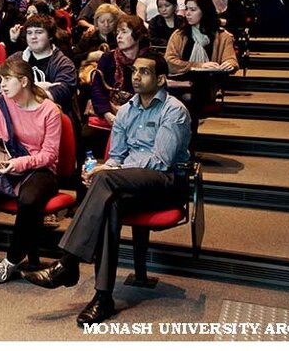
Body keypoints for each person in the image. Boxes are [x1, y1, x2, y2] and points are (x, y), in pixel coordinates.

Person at [23, 52, 191, 327]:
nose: (136, 76)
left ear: (161, 79)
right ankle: (103, 297)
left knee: (106, 180)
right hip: (128, 184)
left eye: (144, 72)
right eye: (134, 71)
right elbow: (116, 156)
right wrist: (106, 169)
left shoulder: (174, 111)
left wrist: (111, 172)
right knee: (109, 203)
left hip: (167, 183)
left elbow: (161, 161)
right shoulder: (126, 110)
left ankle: (67, 263)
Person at [0, 58, 61, 284]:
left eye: (7, 79)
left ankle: (12, 261)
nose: (1, 84)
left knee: (29, 201)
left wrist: (20, 163)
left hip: (40, 169)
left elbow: (49, 155)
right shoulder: (1, 103)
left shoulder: (49, 110)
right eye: (1, 79)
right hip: (8, 163)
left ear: (23, 81)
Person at [3, 15, 77, 121]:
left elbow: (61, 92)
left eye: (39, 32)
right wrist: (39, 87)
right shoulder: (16, 59)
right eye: (29, 33)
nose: (33, 37)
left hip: (53, 118)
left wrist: (18, 89)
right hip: (17, 117)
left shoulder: (64, 63)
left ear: (50, 36)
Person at [91, 15, 150, 128]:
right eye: (117, 33)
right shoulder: (108, 58)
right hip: (111, 111)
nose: (119, 37)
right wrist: (107, 114)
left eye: (124, 32)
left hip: (143, 115)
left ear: (137, 36)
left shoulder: (150, 60)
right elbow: (97, 90)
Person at [165, 0, 238, 75]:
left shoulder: (223, 36)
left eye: (193, 10)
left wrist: (229, 64)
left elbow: (230, 59)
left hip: (212, 82)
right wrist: (199, 66)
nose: (187, 13)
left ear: (204, 11)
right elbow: (169, 61)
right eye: (186, 9)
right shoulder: (179, 35)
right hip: (182, 81)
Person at [73, 3, 120, 68]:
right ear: (96, 21)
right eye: (102, 21)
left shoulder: (119, 38)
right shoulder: (88, 37)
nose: (106, 25)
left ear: (115, 21)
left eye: (110, 21)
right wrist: (90, 56)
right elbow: (74, 58)